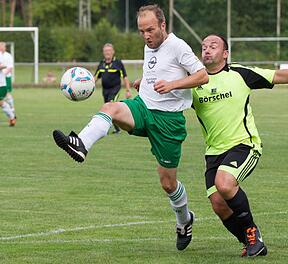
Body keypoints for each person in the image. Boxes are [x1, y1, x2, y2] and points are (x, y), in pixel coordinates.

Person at [52, 4, 208, 251]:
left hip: (169, 121)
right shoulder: (149, 46)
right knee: (110, 108)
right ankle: (80, 143)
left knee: (168, 184)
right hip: (143, 107)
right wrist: (143, 81)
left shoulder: (178, 45)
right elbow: (155, 70)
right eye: (141, 31)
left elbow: (202, 75)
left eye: (150, 29)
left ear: (163, 26)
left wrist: (173, 85)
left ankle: (185, 220)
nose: (146, 35)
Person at [193, 34, 288, 257]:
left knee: (224, 183)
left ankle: (252, 232)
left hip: (244, 145)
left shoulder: (240, 74)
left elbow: (276, 75)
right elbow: (165, 98)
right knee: (218, 204)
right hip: (213, 152)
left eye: (213, 46)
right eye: (203, 47)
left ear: (225, 53)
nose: (207, 50)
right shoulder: (193, 84)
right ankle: (251, 242)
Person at [95, 43, 132, 133]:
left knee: (110, 106)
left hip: (115, 89)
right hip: (105, 90)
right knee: (108, 108)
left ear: (113, 52)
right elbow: (95, 77)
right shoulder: (101, 64)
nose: (107, 52)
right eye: (105, 51)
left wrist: (128, 90)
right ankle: (117, 129)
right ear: (103, 52)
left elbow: (125, 77)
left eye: (109, 50)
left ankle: (105, 128)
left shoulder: (118, 63)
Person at [0, 42, 15, 116]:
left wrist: (4, 74)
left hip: (5, 78)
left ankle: (12, 110)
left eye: (2, 46)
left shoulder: (8, 55)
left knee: (7, 94)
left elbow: (9, 66)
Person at [0, 60, 16, 126]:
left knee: (1, 102)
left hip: (1, 86)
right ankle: (12, 117)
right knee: (1, 103)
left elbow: (4, 66)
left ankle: (12, 118)